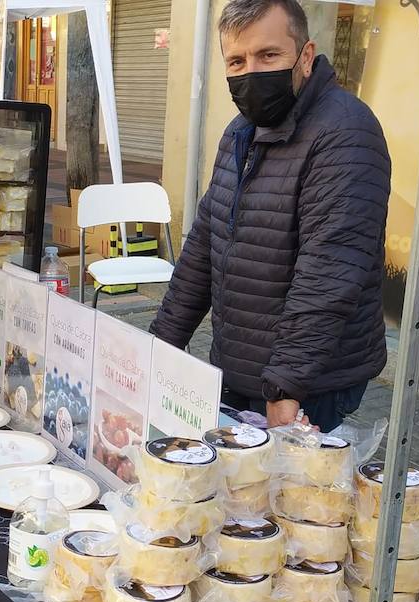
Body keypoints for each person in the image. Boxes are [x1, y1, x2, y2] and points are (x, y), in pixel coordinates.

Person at [149, 0, 390, 433]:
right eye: (237, 61)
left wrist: (284, 388)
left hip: (307, 384)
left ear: (306, 55)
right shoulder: (240, 131)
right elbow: (205, 244)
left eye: (269, 55)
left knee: (293, 495)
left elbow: (329, 274)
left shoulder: (345, 132)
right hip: (239, 366)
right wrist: (159, 344)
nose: (251, 73)